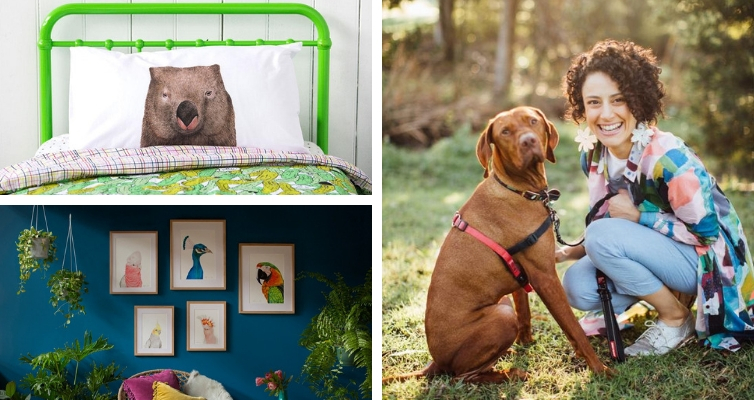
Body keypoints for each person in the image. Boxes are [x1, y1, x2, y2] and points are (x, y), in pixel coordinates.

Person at [556, 39, 754, 356]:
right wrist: (568, 252)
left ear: (638, 100)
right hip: (661, 253)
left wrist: (640, 217)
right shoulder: (595, 157)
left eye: (618, 100)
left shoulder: (669, 160)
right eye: (594, 102)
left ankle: (676, 317)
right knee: (577, 286)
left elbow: (707, 233)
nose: (605, 114)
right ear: (581, 105)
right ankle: (668, 297)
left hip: (708, 262)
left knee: (600, 236)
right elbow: (612, 228)